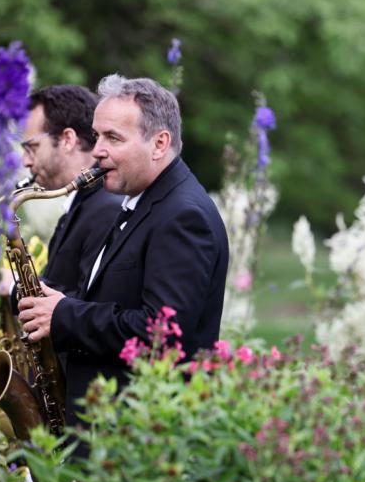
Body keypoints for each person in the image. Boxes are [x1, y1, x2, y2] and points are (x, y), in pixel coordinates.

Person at [17, 75, 229, 428]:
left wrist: (64, 314)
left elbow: (160, 333)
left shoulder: (183, 215)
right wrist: (57, 302)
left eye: (113, 138)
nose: (97, 149)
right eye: (98, 135)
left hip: (140, 435)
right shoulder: (140, 201)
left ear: (159, 144)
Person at [20, 85, 121, 295]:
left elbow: (89, 302)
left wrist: (14, 291)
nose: (25, 162)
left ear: (67, 139)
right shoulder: (84, 200)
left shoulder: (105, 207)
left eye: (32, 148)